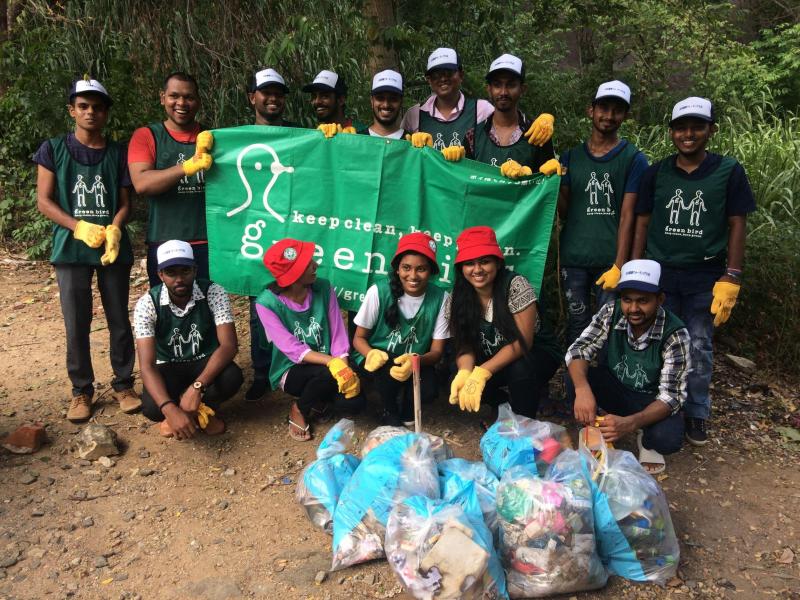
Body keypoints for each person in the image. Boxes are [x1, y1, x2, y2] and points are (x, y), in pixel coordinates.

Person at [632, 96, 755, 446]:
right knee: (657, 341)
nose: (688, 134)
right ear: (671, 132)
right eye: (681, 128)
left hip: (705, 275)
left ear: (710, 130)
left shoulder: (728, 171)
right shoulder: (657, 173)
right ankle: (656, 404)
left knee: (698, 344)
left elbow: (737, 223)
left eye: (697, 127)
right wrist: (635, 269)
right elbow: (642, 222)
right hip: (661, 275)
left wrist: (732, 274)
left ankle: (696, 410)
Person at [34, 76, 140, 422]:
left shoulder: (118, 153)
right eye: (83, 106)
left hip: (111, 248)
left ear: (106, 112)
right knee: (76, 321)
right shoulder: (53, 149)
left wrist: (116, 228)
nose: (90, 112)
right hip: (71, 249)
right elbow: (44, 201)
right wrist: (77, 226)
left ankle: (124, 384)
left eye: (97, 107)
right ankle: (81, 390)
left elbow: (125, 203)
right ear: (72, 110)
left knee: (118, 318)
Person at [566, 259, 691, 473]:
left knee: (667, 439)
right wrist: (582, 389)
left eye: (643, 301)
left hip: (650, 399)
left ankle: (644, 436)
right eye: (627, 300)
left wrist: (631, 423)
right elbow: (579, 349)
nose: (633, 309)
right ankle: (598, 427)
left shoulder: (675, 334)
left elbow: (671, 396)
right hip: (616, 386)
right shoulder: (611, 312)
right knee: (574, 377)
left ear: (660, 299)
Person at [558, 80, 650, 346]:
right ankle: (575, 373)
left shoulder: (633, 159)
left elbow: (628, 215)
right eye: (603, 108)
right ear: (591, 110)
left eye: (617, 110)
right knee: (577, 322)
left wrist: (620, 266)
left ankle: (604, 374)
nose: (609, 116)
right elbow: (564, 210)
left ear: (625, 115)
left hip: (610, 259)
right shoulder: (571, 157)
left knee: (608, 325)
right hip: (574, 257)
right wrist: (555, 182)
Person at [255, 239, 365, 441]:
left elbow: (337, 333)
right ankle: (299, 409)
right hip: (292, 368)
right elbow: (291, 348)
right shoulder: (266, 303)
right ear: (293, 274)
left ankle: (319, 399)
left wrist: (343, 367)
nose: (316, 265)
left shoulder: (323, 287)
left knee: (354, 403)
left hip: (329, 362)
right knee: (326, 374)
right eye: (308, 264)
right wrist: (332, 362)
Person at [448, 226, 561, 419]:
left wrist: (482, 372)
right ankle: (502, 405)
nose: (477, 270)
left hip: (534, 354)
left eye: (484, 262)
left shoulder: (516, 285)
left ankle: (524, 421)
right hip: (494, 357)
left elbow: (523, 342)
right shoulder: (457, 296)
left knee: (520, 369)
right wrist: (466, 371)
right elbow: (464, 344)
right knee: (456, 373)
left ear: (498, 263)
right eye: (469, 263)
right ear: (461, 268)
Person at [133, 240, 243, 440]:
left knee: (231, 377)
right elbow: (147, 366)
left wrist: (197, 387)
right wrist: (169, 408)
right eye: (171, 272)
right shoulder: (147, 304)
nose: (179, 279)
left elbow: (229, 345)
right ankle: (183, 415)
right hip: (168, 365)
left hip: (204, 361)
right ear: (160, 275)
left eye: (185, 271)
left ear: (195, 270)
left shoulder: (213, 292)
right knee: (152, 408)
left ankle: (199, 411)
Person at [351, 232, 450, 426]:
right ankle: (389, 410)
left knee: (429, 390)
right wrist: (371, 354)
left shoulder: (442, 298)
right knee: (388, 373)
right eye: (406, 268)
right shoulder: (378, 291)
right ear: (397, 269)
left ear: (431, 271)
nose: (413, 276)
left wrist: (415, 361)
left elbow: (437, 352)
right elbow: (358, 339)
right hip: (380, 357)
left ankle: (408, 409)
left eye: (421, 269)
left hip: (416, 358)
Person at [244, 67, 300, 401]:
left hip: (293, 229)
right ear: (253, 97)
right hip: (256, 230)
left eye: (279, 93)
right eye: (266, 92)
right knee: (259, 302)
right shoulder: (240, 138)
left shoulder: (299, 134)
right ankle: (262, 372)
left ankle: (298, 363)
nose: (273, 98)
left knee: (300, 299)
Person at [128, 72, 213, 287]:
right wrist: (187, 167)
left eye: (189, 97)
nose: (181, 103)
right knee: (166, 305)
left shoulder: (211, 137)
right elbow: (142, 183)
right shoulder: (146, 135)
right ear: (162, 97)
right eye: (174, 96)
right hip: (165, 241)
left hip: (209, 241)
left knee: (209, 303)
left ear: (198, 101)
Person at [402, 48, 554, 161]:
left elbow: (506, 117)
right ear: (428, 80)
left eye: (448, 72)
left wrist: (547, 118)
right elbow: (402, 156)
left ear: (461, 75)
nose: (443, 78)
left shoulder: (482, 109)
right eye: (436, 75)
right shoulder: (414, 114)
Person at [463, 54, 561, 177]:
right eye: (497, 85)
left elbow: (546, 182)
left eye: (511, 85)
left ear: (522, 89)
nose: (503, 92)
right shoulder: (473, 136)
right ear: (489, 89)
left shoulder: (537, 134)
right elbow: (464, 181)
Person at [302, 70, 366, 134]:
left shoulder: (362, 133)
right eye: (314, 96)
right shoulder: (316, 134)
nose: (317, 101)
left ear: (341, 100)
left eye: (325, 96)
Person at [357, 69, 409, 139]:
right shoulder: (357, 140)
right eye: (380, 98)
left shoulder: (412, 142)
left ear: (401, 102)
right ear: (372, 101)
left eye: (393, 99)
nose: (386, 105)